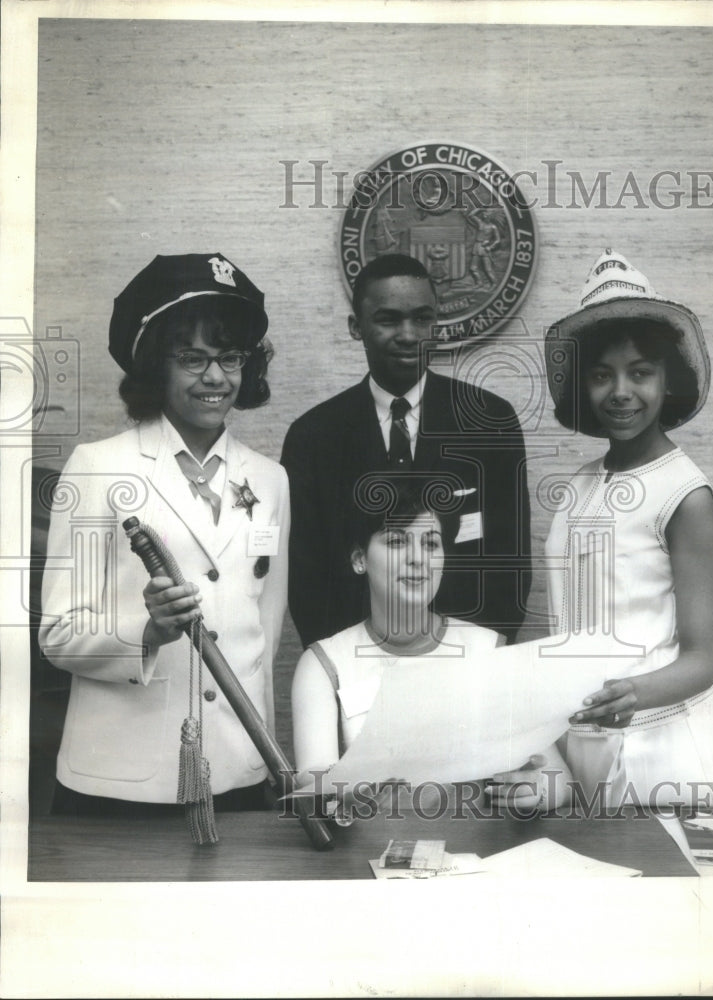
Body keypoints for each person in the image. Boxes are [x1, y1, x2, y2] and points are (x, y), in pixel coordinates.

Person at [39, 253, 289, 815]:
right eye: (192, 359)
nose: (216, 377)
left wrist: (266, 758)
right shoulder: (97, 466)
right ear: (156, 368)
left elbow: (263, 642)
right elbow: (57, 635)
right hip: (120, 781)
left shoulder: (271, 480)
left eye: (229, 357)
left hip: (240, 771)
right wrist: (146, 630)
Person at [543, 249, 713, 810]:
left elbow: (702, 660)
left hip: (668, 752)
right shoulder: (579, 485)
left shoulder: (687, 494)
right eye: (602, 375)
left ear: (667, 380)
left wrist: (632, 693)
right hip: (589, 743)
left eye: (640, 372)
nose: (621, 391)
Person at [280, 253, 530, 648]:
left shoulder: (489, 420)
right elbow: (307, 578)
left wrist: (482, 657)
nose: (409, 334)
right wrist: (346, 666)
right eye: (389, 319)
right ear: (356, 327)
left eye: (422, 318)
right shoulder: (312, 437)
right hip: (356, 663)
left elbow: (508, 562)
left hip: (466, 665)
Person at [291, 478, 570, 814]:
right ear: (359, 559)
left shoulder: (487, 650)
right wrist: (340, 791)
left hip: (474, 856)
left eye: (431, 544)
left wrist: (539, 791)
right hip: (365, 853)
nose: (417, 559)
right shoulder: (324, 664)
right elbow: (312, 781)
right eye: (396, 542)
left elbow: (559, 779)